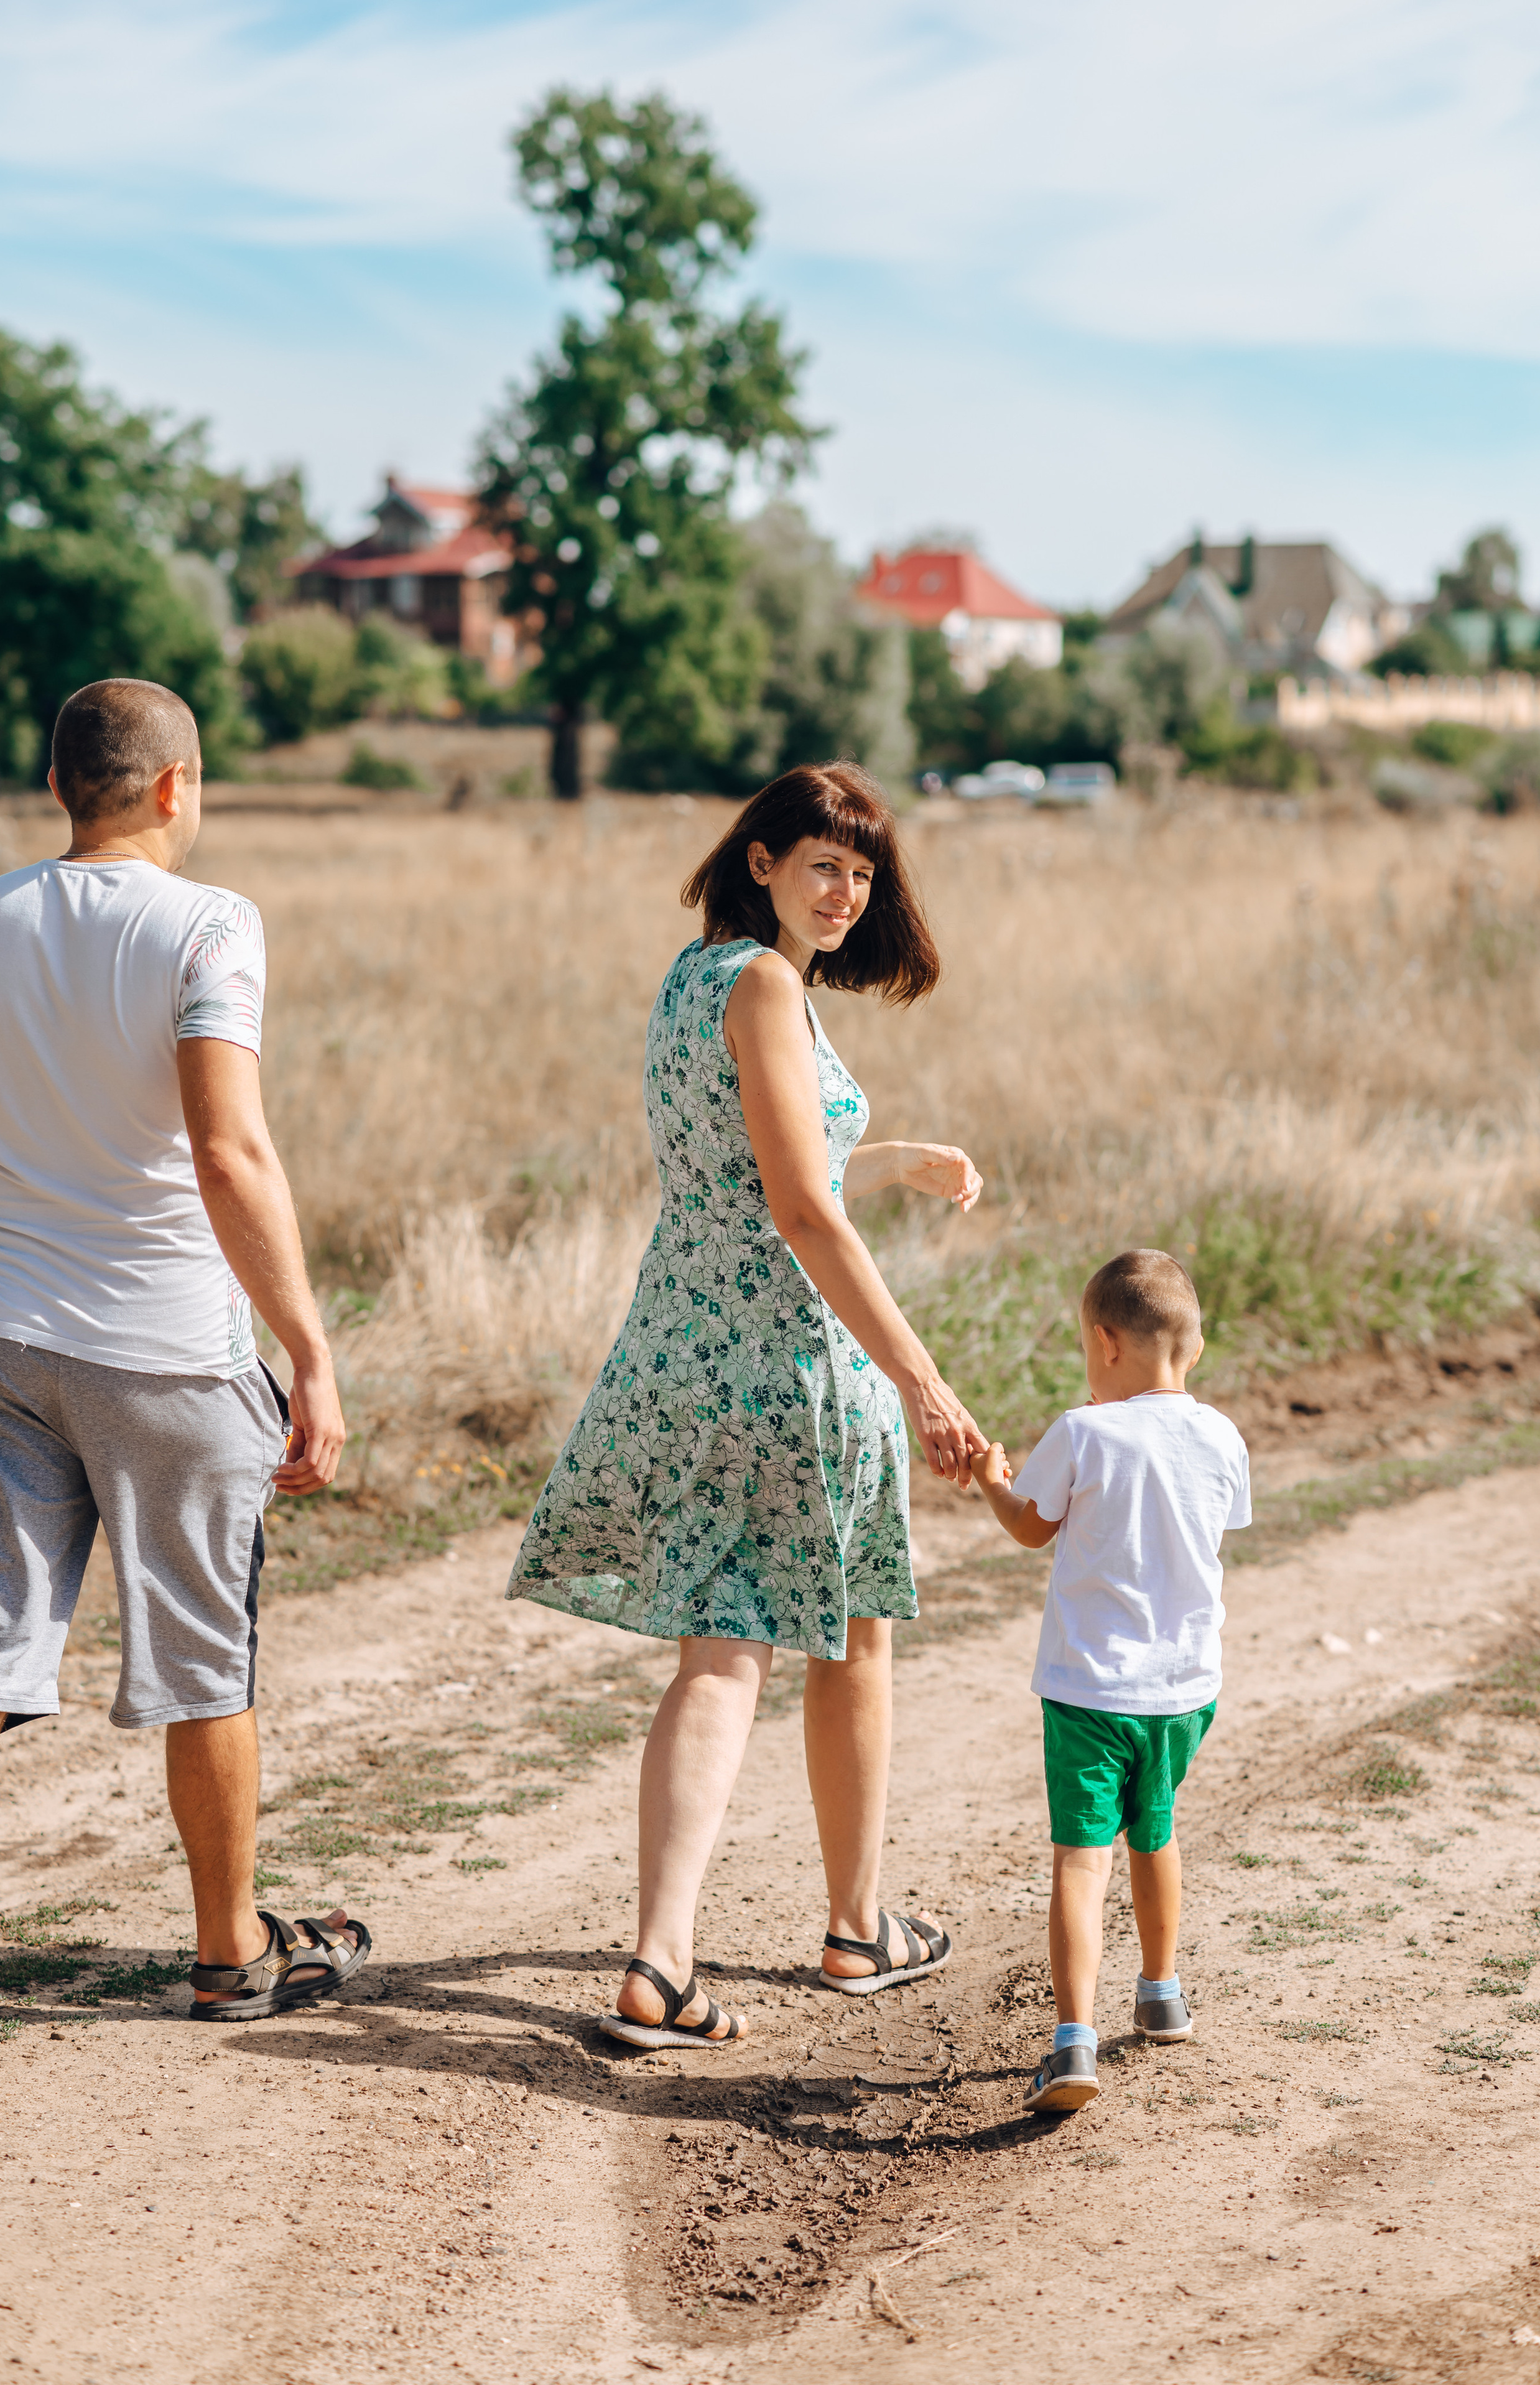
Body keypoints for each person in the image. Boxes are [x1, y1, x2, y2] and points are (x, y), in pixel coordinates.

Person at [509, 761, 988, 2048]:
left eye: (864, 874)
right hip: (785, 1357)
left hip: (683, 1340)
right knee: (843, 1639)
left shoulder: (696, 975)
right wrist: (922, 1378)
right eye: (823, 865)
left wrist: (887, 1160)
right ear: (762, 859)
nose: (845, 893)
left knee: (726, 1647)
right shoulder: (767, 984)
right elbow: (794, 1209)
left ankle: (674, 1956)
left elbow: (747, 1163)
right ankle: (850, 1928)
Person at [0, 677, 368, 2020]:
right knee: (206, 1655)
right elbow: (227, 1148)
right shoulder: (211, 922)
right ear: (172, 786)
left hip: (6, 1338)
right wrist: (308, 1350)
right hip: (163, 1346)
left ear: (58, 791)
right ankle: (228, 1953)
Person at [968, 1248, 1251, 2111]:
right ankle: (1161, 1991)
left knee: (1081, 1860)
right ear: (1192, 1351)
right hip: (1184, 1690)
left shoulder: (1083, 1432)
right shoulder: (1221, 1435)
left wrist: (992, 1480)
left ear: (1104, 1342)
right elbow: (1213, 1527)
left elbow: (1030, 1526)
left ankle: (1072, 2042)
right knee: (1154, 1834)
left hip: (1091, 1687)